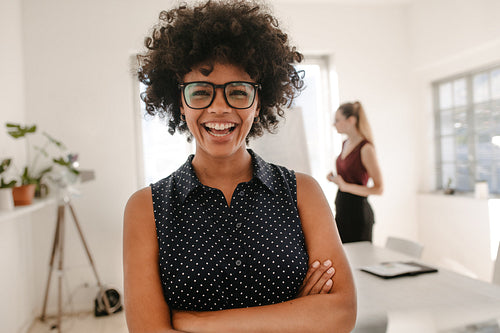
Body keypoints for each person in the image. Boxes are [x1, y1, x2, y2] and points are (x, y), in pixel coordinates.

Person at [123, 1, 356, 332]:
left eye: (238, 91)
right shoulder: (145, 209)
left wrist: (199, 323)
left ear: (258, 101)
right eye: (201, 92)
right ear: (181, 102)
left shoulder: (303, 192)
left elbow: (341, 314)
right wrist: (296, 315)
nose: (219, 108)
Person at [326, 101, 383, 243]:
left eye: (337, 120)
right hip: (342, 211)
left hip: (358, 215)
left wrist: (345, 186)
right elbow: (348, 179)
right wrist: (335, 179)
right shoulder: (345, 144)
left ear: (351, 120)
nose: (334, 124)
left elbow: (379, 189)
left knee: (359, 259)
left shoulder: (366, 148)